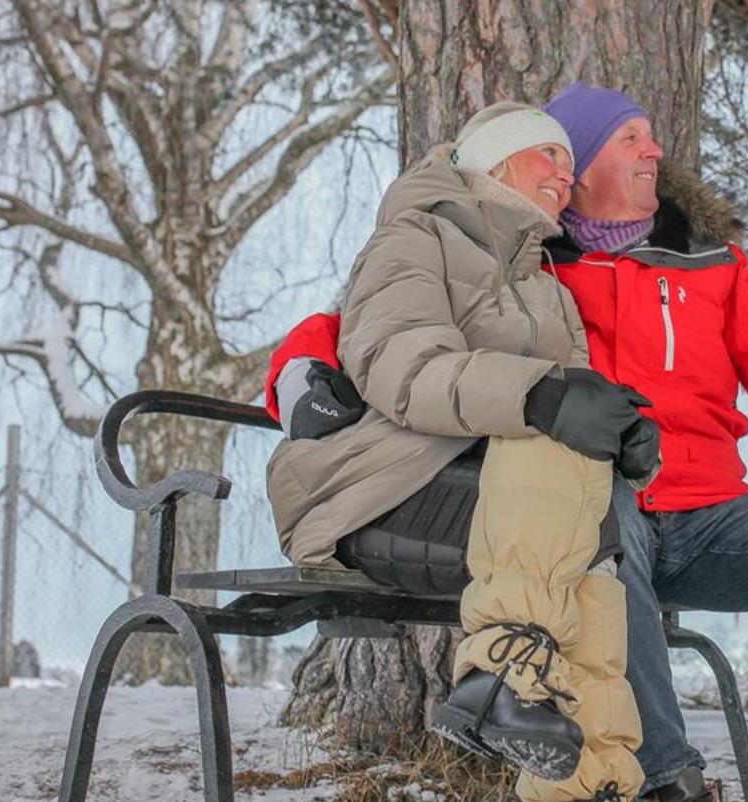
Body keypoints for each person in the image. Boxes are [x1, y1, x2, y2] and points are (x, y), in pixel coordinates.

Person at [269, 84, 748, 802]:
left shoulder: (712, 266)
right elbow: (368, 324)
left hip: (709, 519)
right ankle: (668, 780)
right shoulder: (533, 261)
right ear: (576, 168)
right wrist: (296, 369)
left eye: (650, 136)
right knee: (605, 524)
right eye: (631, 138)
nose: (656, 151)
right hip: (596, 509)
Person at [264, 101, 658, 802]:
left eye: (571, 163)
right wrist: (542, 399)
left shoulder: (546, 288)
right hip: (375, 494)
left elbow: (567, 400)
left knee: (596, 566)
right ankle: (502, 674)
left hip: (491, 507)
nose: (566, 178)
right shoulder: (413, 238)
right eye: (550, 156)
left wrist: (622, 435)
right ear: (496, 159)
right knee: (547, 435)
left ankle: (592, 785)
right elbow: (400, 364)